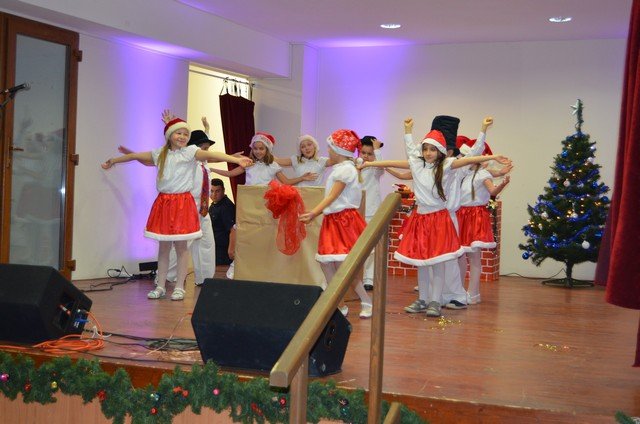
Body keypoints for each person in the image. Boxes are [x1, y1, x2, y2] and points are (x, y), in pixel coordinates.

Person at [358, 118, 510, 317]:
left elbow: (469, 158)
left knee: (438, 262)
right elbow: (397, 160)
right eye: (425, 149)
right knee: (422, 263)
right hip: (420, 219)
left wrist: (492, 151)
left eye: (432, 149)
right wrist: (405, 133)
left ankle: (436, 301)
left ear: (440, 151)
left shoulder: (446, 166)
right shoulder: (418, 166)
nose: (428, 153)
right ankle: (423, 298)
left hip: (439, 220)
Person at [101, 115, 252, 301]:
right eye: (178, 133)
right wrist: (114, 160)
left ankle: (180, 287)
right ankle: (160, 286)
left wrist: (235, 160)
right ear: (169, 135)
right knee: (164, 248)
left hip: (183, 204)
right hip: (164, 203)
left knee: (182, 248)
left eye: (185, 134)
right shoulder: (160, 154)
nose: (182, 136)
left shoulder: (190, 152)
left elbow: (211, 155)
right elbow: (136, 156)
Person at [119, 113, 218, 288]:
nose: (206, 151)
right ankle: (165, 278)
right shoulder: (188, 160)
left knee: (206, 244)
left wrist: (207, 129)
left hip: (203, 210)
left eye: (207, 147)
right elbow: (154, 159)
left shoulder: (205, 165)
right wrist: (133, 155)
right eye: (203, 147)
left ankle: (205, 279)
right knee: (177, 247)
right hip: (187, 208)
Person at [300, 129, 373, 319]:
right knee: (326, 263)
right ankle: (339, 304)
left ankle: (366, 301)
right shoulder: (340, 168)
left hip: (344, 221)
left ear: (339, 151)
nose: (328, 152)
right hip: (333, 220)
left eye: (330, 148)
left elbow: (333, 196)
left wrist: (314, 212)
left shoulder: (346, 170)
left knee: (343, 267)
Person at [456, 138, 511, 304]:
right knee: (460, 256)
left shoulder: (482, 174)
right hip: (461, 215)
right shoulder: (464, 173)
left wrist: (502, 184)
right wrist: (499, 172)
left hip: (475, 216)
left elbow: (492, 190)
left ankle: (473, 293)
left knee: (474, 257)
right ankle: (459, 291)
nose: (462, 159)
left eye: (465, 156)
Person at [212, 132, 318, 185]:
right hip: (249, 198)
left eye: (261, 149)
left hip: (266, 200)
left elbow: (286, 181)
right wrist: (212, 169)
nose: (258, 151)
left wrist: (302, 178)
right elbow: (230, 174)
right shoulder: (248, 164)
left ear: (267, 150)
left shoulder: (273, 165)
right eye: (255, 149)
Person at [358, 136, 384, 290]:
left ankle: (369, 278)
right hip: (356, 211)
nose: (366, 156)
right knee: (356, 246)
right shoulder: (354, 165)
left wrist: (377, 150)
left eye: (370, 153)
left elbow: (381, 165)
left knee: (371, 247)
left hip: (371, 211)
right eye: (363, 153)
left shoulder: (376, 169)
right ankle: (357, 277)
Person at [209, 178, 236, 266]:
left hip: (223, 252)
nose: (214, 194)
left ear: (223, 190)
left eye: (217, 191)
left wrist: (231, 250)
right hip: (215, 248)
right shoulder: (214, 204)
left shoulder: (226, 207)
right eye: (212, 191)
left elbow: (233, 229)